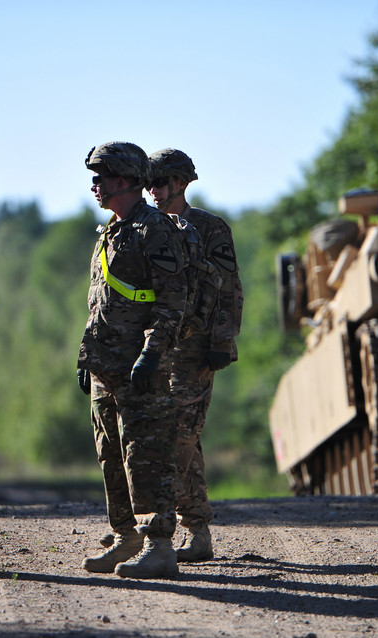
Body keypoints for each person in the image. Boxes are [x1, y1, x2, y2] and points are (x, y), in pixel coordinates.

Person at [77, 141, 189, 579]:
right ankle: (126, 537)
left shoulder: (154, 229)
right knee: (110, 454)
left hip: (139, 367)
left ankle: (159, 545)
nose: (94, 185)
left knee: (146, 454)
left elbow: (172, 301)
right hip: (105, 365)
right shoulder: (110, 231)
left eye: (100, 177)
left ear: (123, 180)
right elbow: (99, 302)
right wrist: (86, 356)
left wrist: (151, 354)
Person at [148, 148, 244, 562]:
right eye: (149, 183)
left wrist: (222, 340)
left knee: (179, 439)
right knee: (184, 438)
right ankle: (198, 531)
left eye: (160, 182)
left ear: (182, 183)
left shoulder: (209, 228)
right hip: (159, 349)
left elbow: (229, 289)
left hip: (196, 348)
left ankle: (159, 526)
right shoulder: (147, 227)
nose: (153, 191)